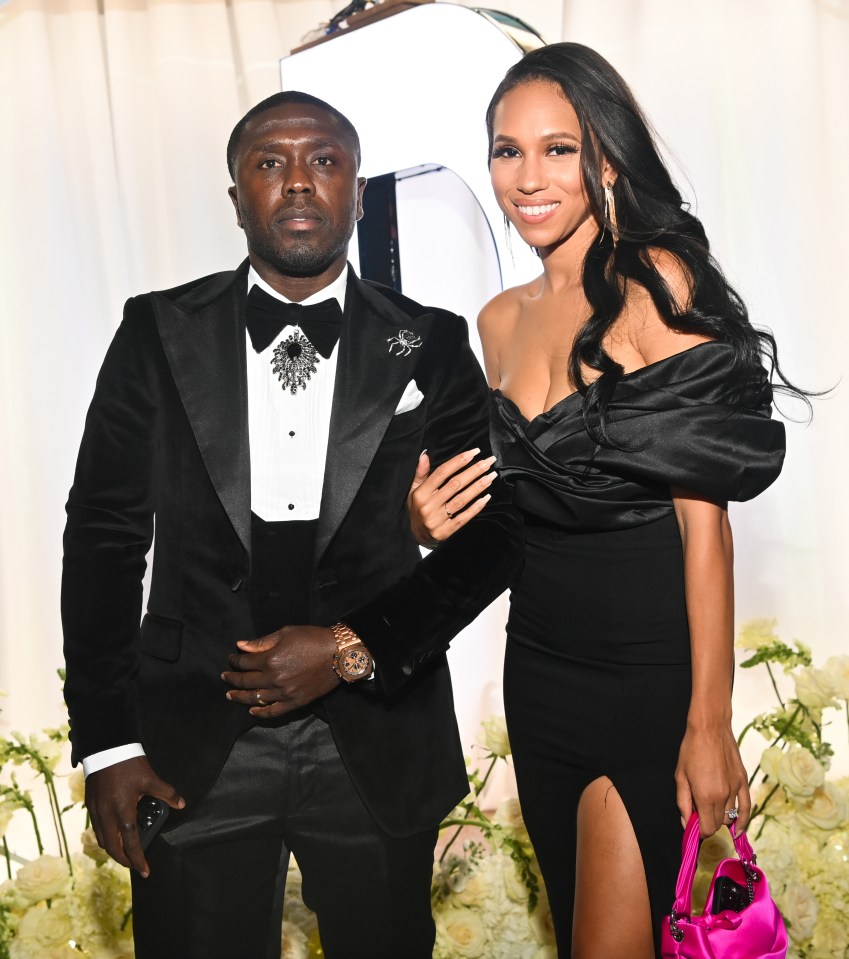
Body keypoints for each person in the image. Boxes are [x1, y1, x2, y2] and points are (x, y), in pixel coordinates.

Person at [61, 90, 520, 959]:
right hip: (189, 745)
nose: (299, 181)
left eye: (324, 160)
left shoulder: (430, 341)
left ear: (355, 187)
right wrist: (107, 743)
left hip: (376, 734)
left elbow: (494, 540)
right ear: (237, 195)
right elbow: (102, 542)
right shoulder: (154, 332)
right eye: (271, 162)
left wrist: (350, 645)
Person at [408, 44, 798, 958]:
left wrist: (708, 722)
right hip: (539, 673)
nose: (528, 176)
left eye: (557, 148)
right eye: (507, 151)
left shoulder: (658, 284)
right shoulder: (495, 321)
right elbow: (512, 517)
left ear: (606, 160)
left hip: (648, 677)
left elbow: (707, 531)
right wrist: (422, 523)